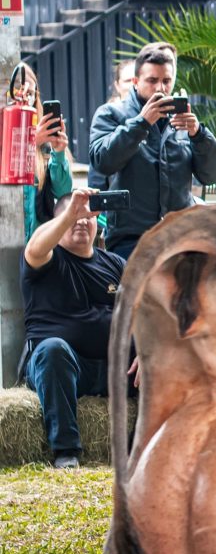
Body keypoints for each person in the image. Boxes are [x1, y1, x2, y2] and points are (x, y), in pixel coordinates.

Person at [87, 42, 216, 260]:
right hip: (131, 241)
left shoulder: (182, 121)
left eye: (166, 81)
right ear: (135, 82)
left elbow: (213, 175)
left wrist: (199, 134)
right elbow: (102, 161)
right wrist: (141, 123)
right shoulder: (111, 114)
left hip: (181, 238)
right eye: (152, 80)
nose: (160, 88)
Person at [20, 189, 125, 469]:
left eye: (87, 216)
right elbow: (35, 247)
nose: (81, 221)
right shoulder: (45, 259)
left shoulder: (115, 264)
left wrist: (149, 349)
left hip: (113, 367)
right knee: (54, 349)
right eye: (74, 217)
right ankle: (66, 452)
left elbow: (147, 311)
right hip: (61, 368)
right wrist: (71, 213)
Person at [10, 63, 74, 237]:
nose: (24, 99)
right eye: (17, 92)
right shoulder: (9, 136)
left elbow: (63, 193)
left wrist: (59, 153)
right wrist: (29, 144)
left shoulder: (44, 142)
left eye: (30, 93)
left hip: (39, 245)